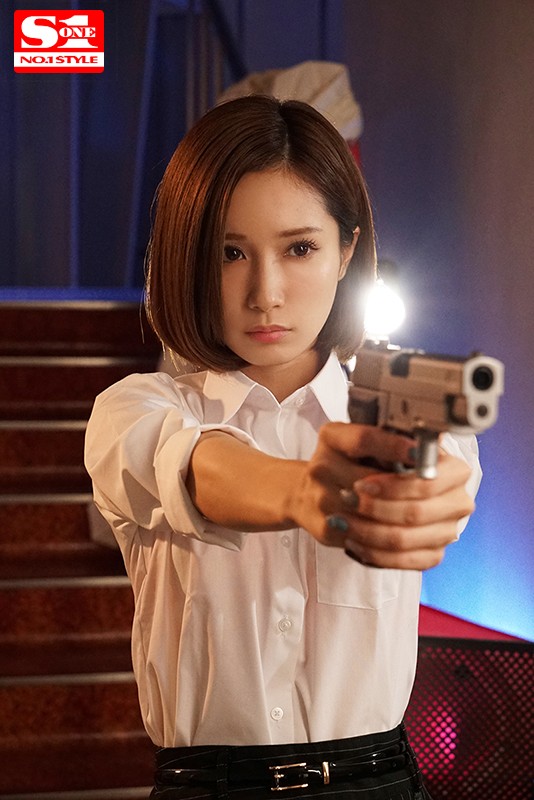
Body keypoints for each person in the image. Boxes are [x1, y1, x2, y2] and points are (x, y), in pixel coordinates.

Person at [85, 95, 481, 800]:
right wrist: (303, 492)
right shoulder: (133, 410)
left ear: (346, 251)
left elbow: (446, 482)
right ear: (188, 260)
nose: (265, 293)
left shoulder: (414, 416)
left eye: (300, 248)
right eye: (230, 253)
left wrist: (428, 499)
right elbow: (194, 465)